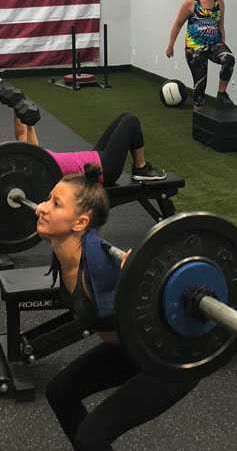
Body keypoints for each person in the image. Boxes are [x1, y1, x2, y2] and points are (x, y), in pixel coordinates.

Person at [37, 166, 198, 450]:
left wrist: (144, 271)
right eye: (47, 199)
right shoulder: (65, 256)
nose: (42, 207)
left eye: (55, 203)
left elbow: (169, 293)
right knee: (60, 392)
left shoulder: (106, 268)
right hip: (128, 349)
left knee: (92, 435)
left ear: (80, 222)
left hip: (168, 358)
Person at [14, 112, 166, 184]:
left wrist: (19, 112)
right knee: (131, 121)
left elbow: (24, 132)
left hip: (95, 157)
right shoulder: (36, 165)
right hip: (103, 169)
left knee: (124, 116)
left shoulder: (36, 158)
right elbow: (21, 135)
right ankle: (141, 167)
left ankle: (141, 167)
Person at [166, 0, 235, 111]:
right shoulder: (191, 3)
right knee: (200, 87)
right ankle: (199, 116)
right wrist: (170, 45)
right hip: (195, 49)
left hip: (214, 44)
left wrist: (223, 44)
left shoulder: (219, 3)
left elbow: (221, 26)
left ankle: (221, 92)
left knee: (229, 59)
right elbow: (178, 24)